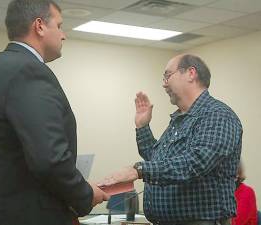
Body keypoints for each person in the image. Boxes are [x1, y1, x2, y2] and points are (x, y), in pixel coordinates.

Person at [0, 0, 109, 225]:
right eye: (59, 25)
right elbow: (50, 159)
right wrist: (85, 194)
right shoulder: (27, 70)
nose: (64, 34)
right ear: (39, 26)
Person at [98, 54, 243, 225]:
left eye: (168, 75)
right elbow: (157, 159)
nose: (164, 83)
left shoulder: (218, 115)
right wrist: (142, 127)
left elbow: (197, 163)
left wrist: (138, 170)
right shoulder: (180, 119)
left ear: (191, 73)